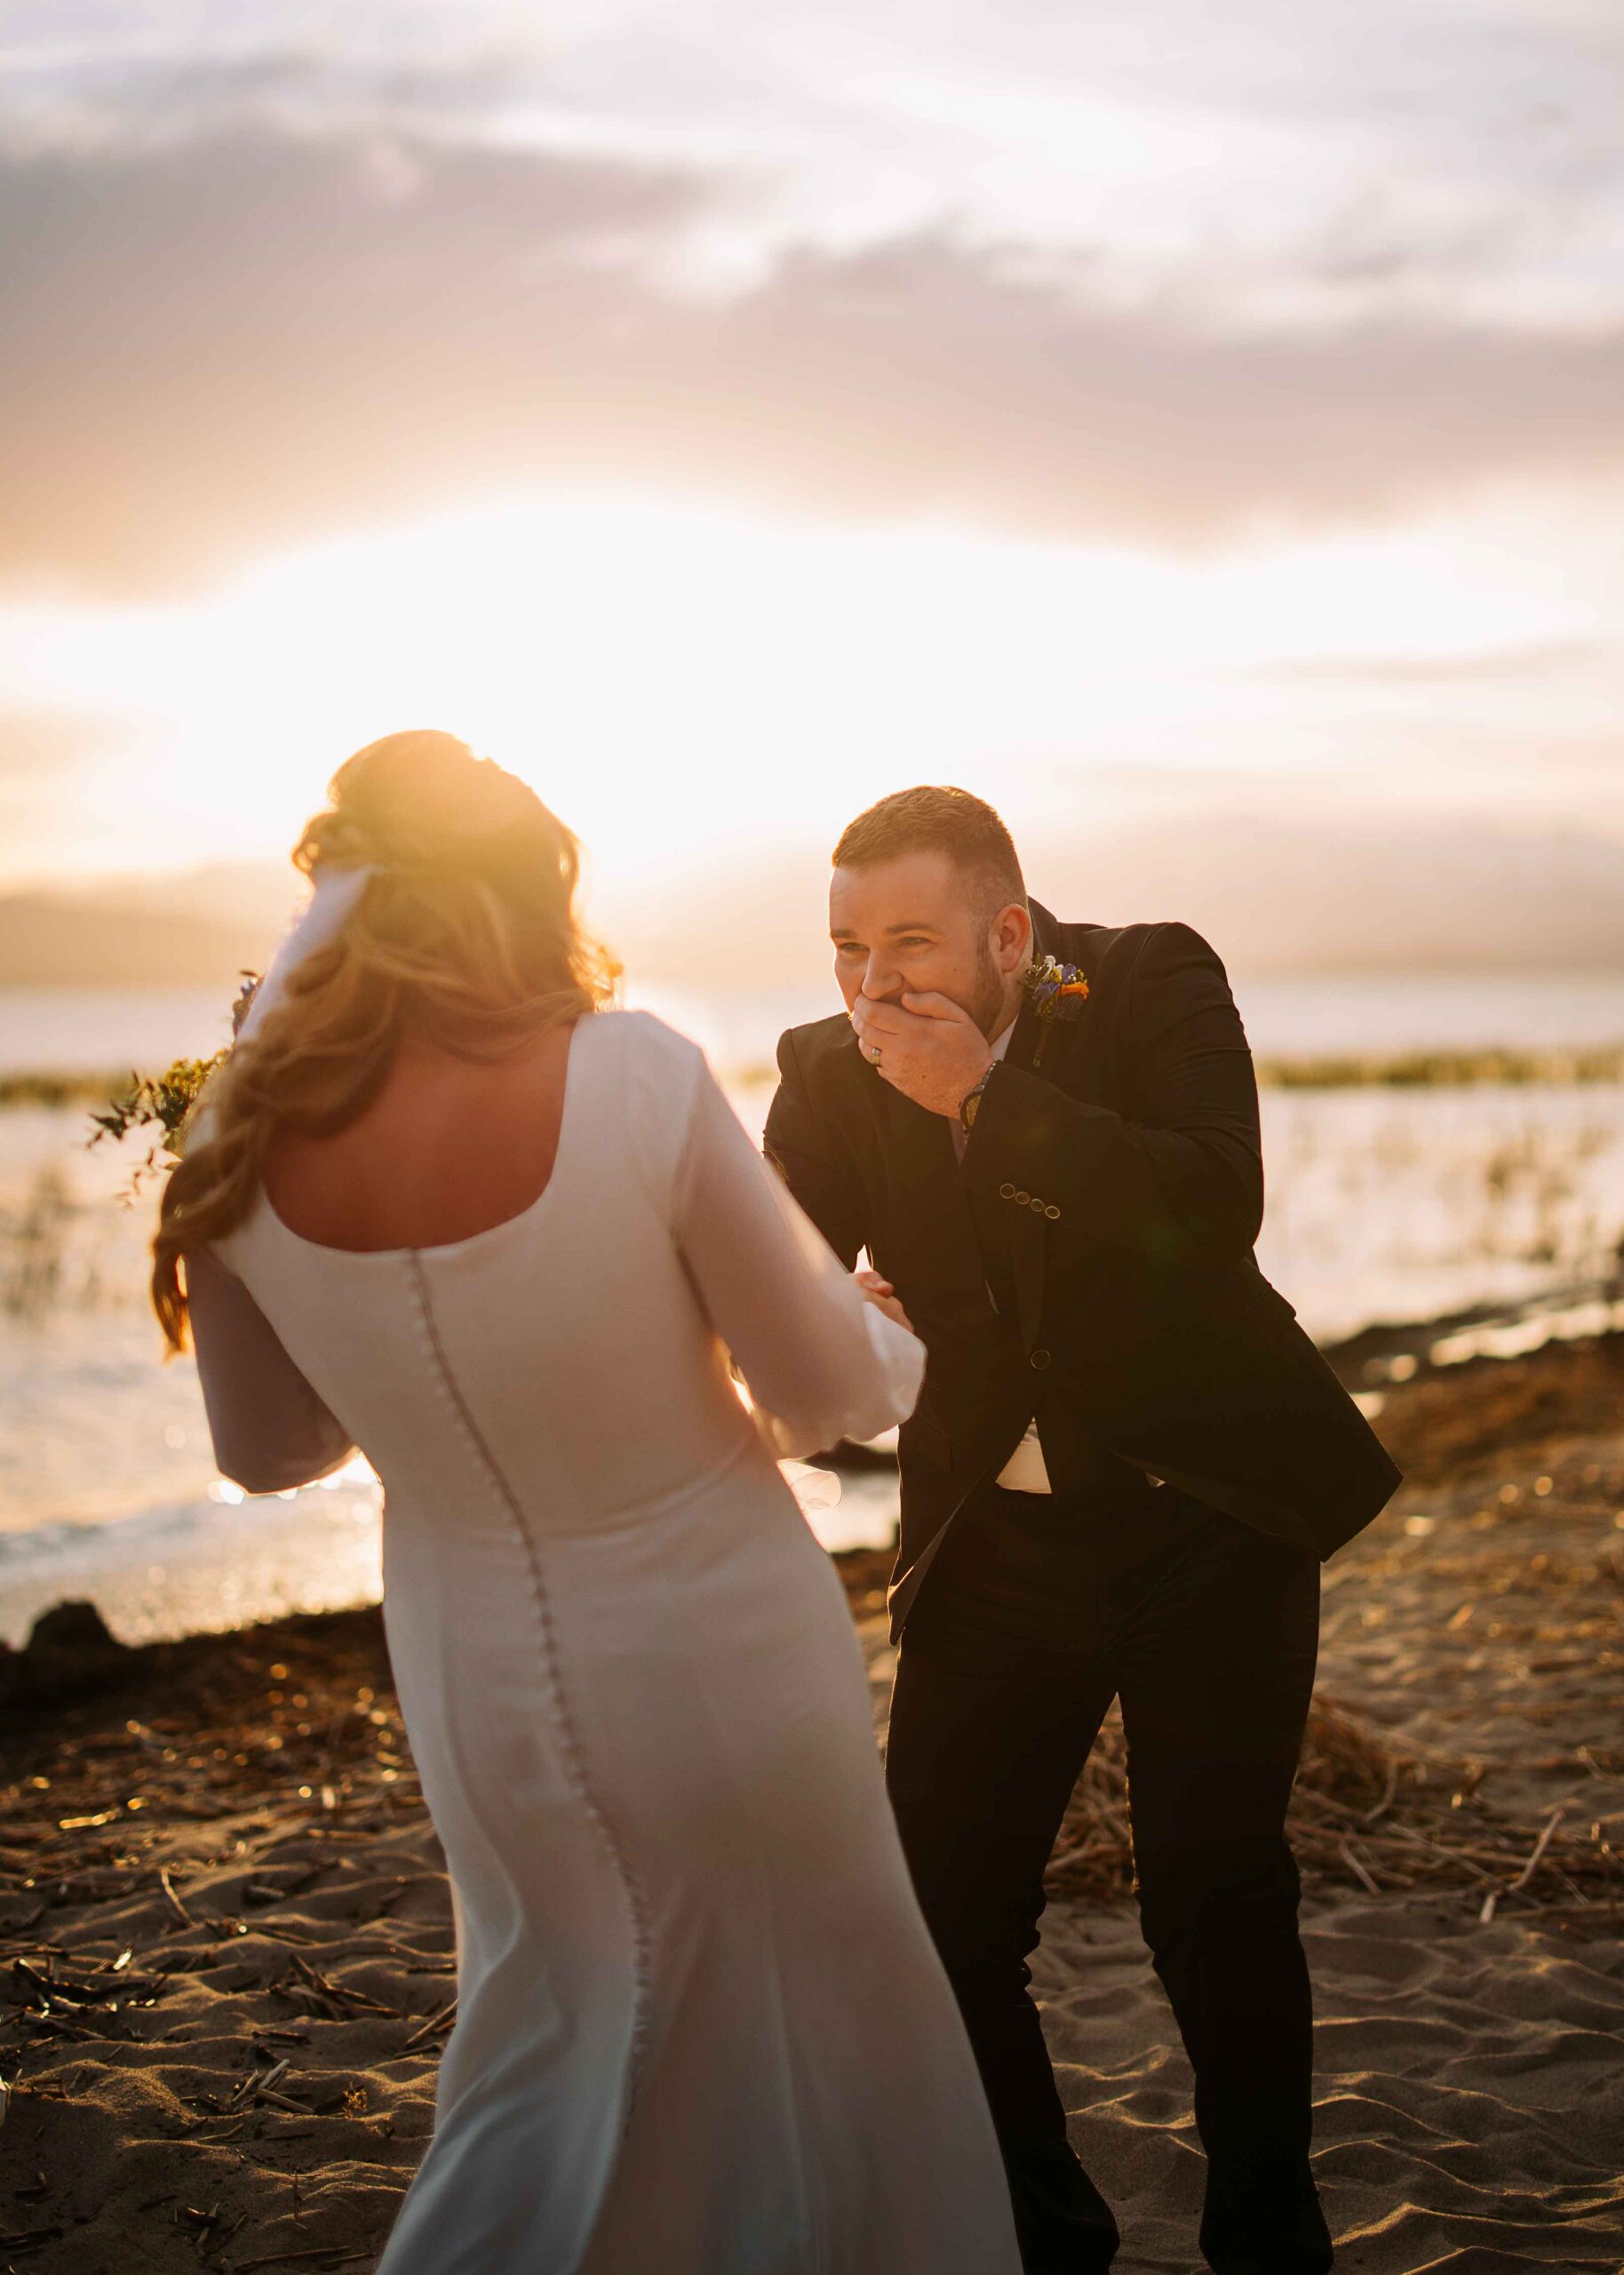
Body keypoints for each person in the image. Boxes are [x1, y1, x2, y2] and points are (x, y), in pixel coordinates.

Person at [153, 732, 1023, 2275]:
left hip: (474, 1680)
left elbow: (269, 1454)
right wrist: (887, 1322)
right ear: (521, 886)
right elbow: (823, 1393)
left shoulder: (233, 1138)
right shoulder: (628, 1075)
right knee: (838, 2044)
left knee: (544, 2040)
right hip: (724, 1653)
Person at [764, 786, 1403, 2275]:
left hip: (1213, 1521)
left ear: (1007, 932)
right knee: (938, 1918)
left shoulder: (1155, 980)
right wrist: (820, 1314)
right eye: (846, 948)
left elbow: (1213, 1202)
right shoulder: (824, 1069)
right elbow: (766, 1283)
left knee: (1214, 1897)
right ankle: (1055, 2236)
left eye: (909, 944)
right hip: (994, 1545)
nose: (873, 987)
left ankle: (1269, 2241)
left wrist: (983, 1098)